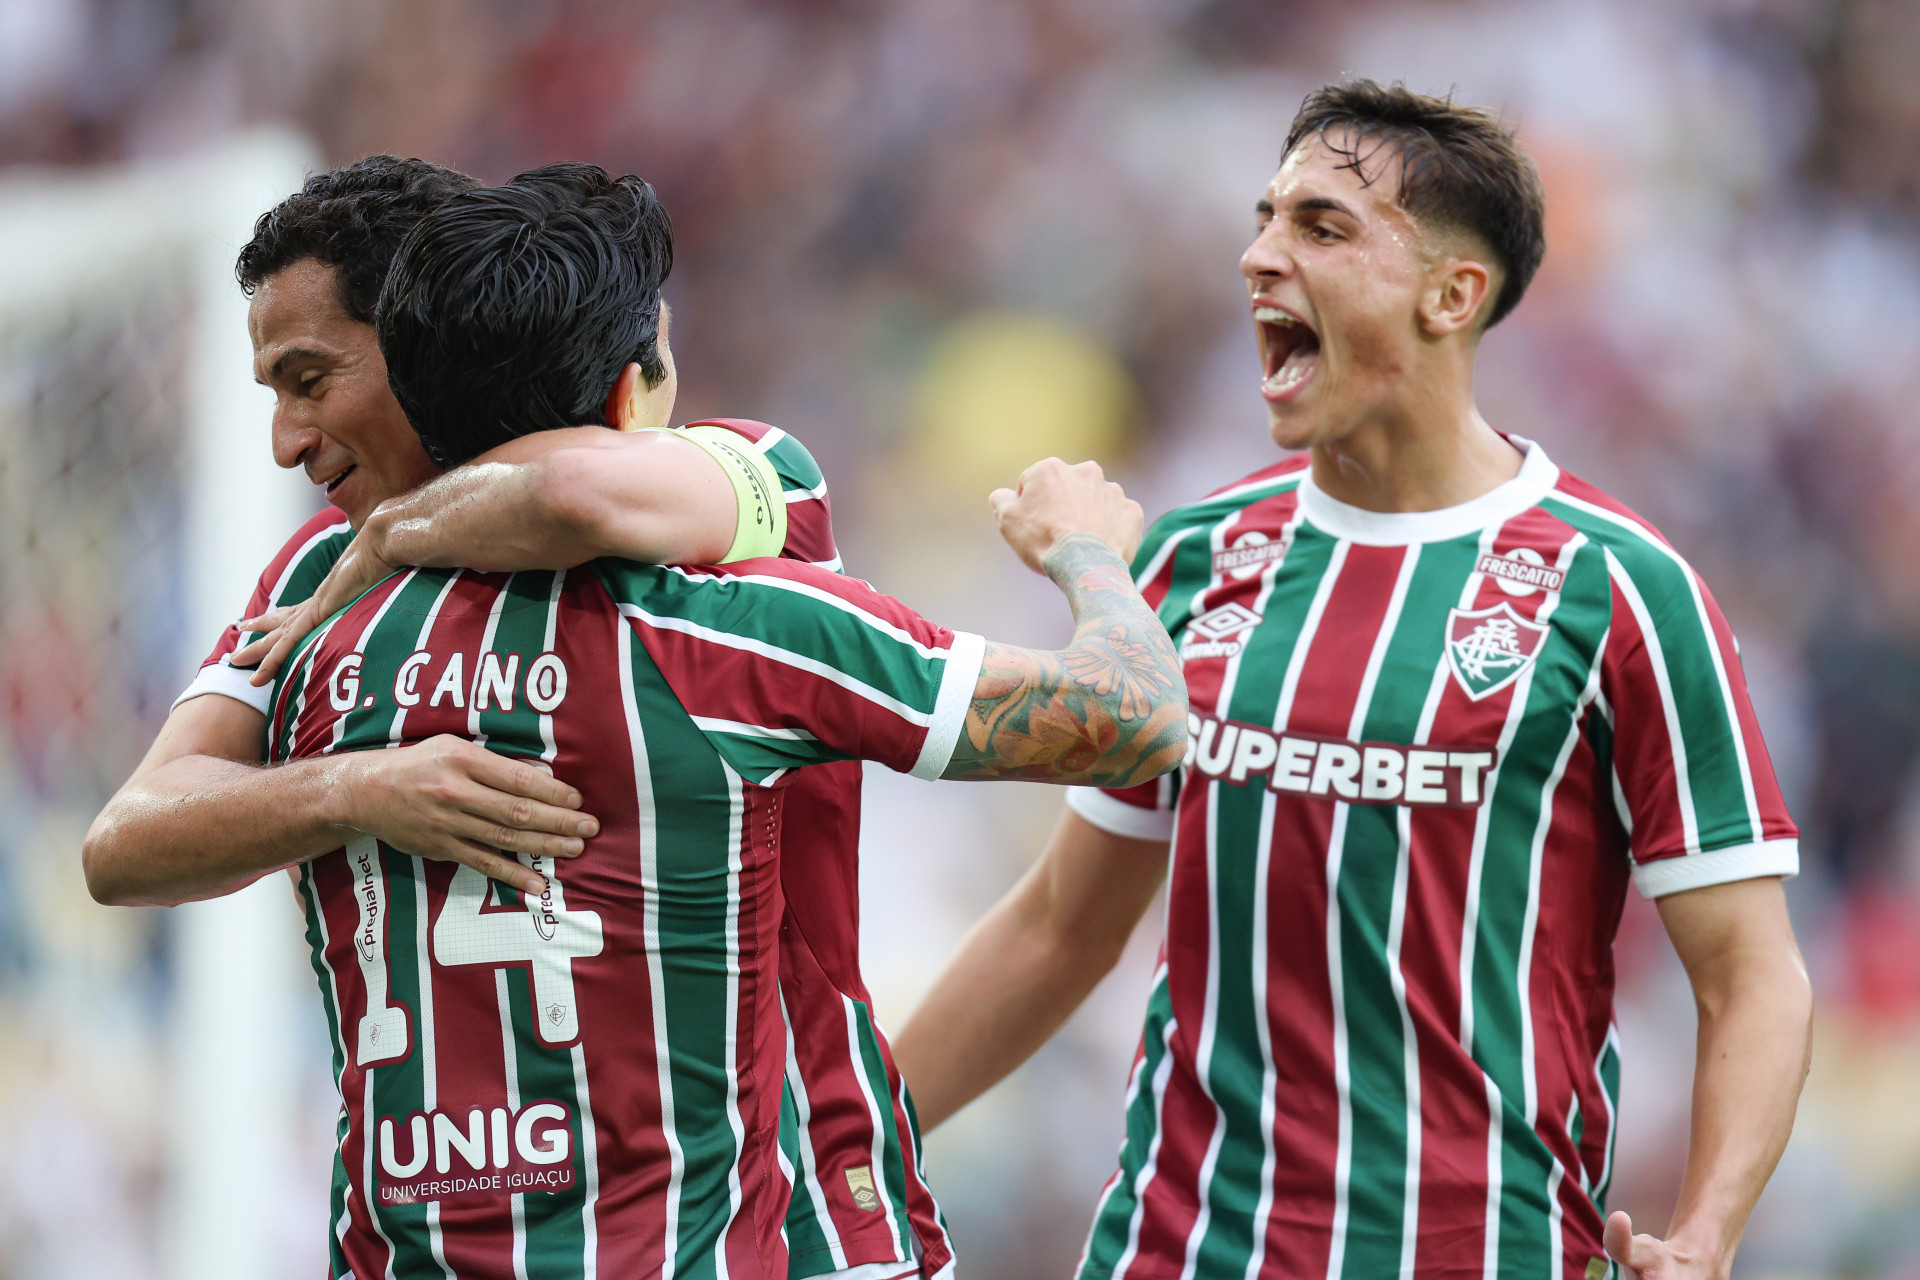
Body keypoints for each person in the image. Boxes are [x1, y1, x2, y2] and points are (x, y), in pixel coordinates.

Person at [891, 81, 1813, 1280]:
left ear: (1453, 294)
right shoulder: (1190, 559)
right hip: (1181, 1250)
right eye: (1266, 219)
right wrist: (832, 1138)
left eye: (1322, 228)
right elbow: (1063, 925)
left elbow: (1751, 971)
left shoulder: (1621, 590)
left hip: (1486, 1251)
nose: (1258, 256)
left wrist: (1707, 1235)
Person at [259, 162, 1190, 1279]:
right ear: (627, 395)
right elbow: (1135, 716)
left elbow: (128, 843)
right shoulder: (740, 612)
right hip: (776, 1232)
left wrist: (377, 573)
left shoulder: (318, 643)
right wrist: (1088, 550)